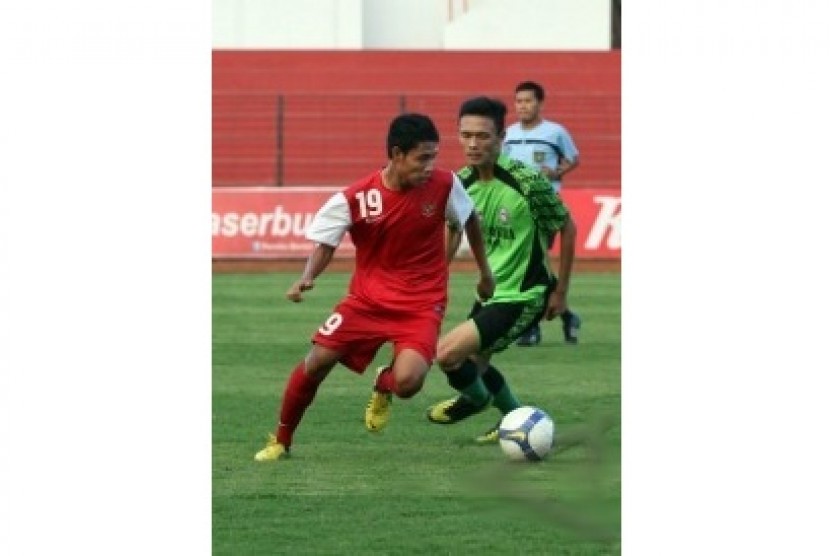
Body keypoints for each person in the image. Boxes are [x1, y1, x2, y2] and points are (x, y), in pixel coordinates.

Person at [254, 113, 495, 462]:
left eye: (434, 157)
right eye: (422, 158)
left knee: (409, 383)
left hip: (421, 303)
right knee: (319, 359)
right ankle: (281, 440)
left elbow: (468, 217)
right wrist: (308, 276)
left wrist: (484, 273)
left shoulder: (445, 184)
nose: (430, 166)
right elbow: (326, 242)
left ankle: (386, 382)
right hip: (367, 301)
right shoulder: (357, 198)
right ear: (397, 155)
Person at [425, 96, 577, 443]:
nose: (473, 144)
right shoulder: (461, 183)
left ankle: (476, 401)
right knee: (474, 362)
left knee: (447, 354)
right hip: (493, 292)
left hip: (526, 294)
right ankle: (513, 418)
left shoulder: (528, 183)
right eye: (466, 136)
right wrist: (438, 274)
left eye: (483, 136)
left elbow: (567, 228)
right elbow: (453, 226)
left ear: (501, 138)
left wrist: (561, 292)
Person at [503, 80, 582, 346]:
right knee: (533, 265)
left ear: (540, 103)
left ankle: (531, 327)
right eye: (519, 101)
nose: (523, 106)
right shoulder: (509, 134)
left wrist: (557, 172)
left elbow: (573, 158)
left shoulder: (554, 132)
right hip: (516, 206)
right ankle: (567, 315)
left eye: (528, 101)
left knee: (532, 263)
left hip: (545, 204)